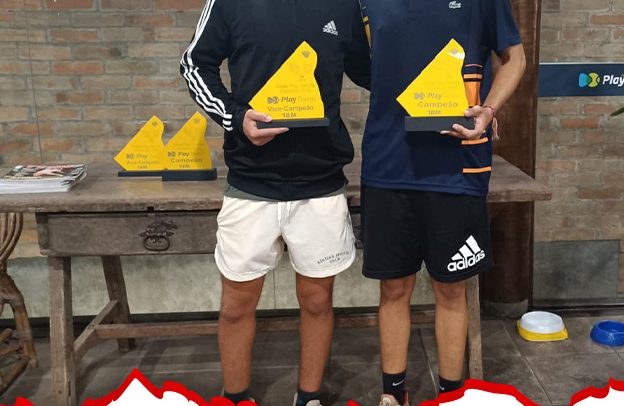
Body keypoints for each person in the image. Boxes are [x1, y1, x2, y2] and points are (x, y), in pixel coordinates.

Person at [180, 1, 370, 405]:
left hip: (321, 181)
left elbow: (370, 69)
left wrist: (447, 87)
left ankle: (309, 397)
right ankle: (236, 398)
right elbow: (195, 64)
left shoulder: (344, 4)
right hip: (251, 180)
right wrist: (236, 117)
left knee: (318, 301)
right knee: (235, 305)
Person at [357, 1, 526, 405]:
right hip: (388, 162)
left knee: (451, 289)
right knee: (393, 288)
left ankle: (450, 395)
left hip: (457, 168)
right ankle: (392, 395)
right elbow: (357, 61)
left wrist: (488, 109)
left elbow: (515, 58)